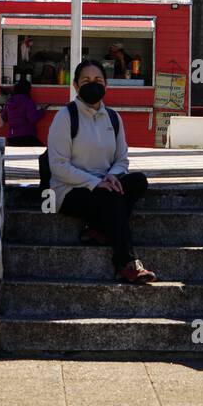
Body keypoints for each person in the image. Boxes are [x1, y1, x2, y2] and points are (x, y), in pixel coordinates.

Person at [47, 60, 155, 284]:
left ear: (106, 85)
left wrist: (112, 176)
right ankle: (126, 263)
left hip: (105, 184)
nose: (92, 85)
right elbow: (57, 166)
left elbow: (122, 159)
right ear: (76, 86)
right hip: (70, 190)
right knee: (112, 196)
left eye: (98, 80)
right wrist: (95, 182)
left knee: (138, 181)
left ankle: (97, 228)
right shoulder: (65, 117)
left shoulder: (114, 118)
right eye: (85, 81)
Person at [1, 77, 46, 147]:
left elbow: (4, 118)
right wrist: (42, 111)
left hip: (12, 137)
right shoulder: (27, 101)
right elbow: (32, 118)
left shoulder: (9, 101)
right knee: (42, 152)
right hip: (27, 136)